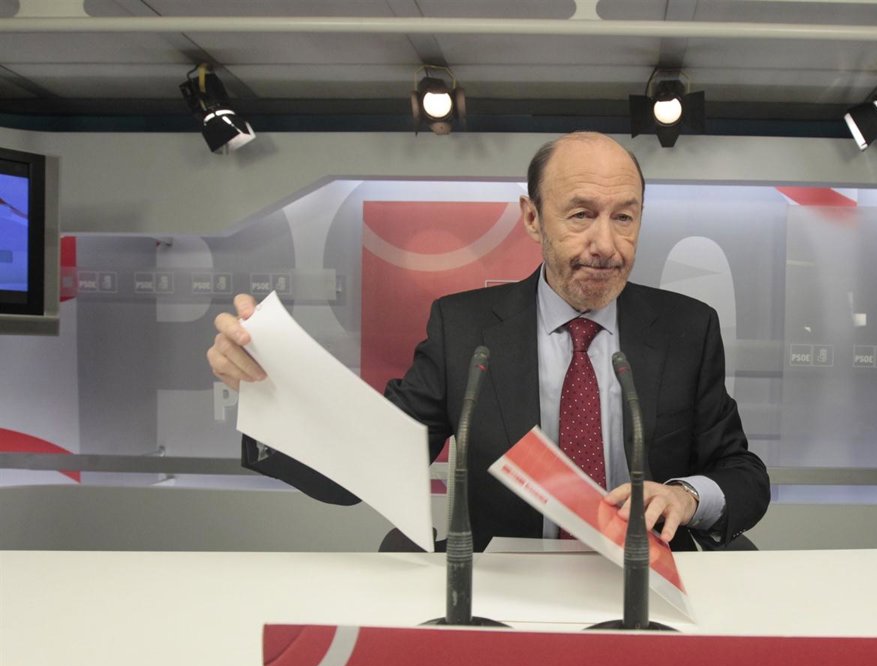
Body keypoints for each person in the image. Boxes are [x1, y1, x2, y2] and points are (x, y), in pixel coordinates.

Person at [209, 131, 769, 552]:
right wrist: (271, 395)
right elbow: (369, 463)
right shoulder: (464, 329)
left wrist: (685, 496)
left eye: (624, 217)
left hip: (646, 584)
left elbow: (742, 474)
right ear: (532, 218)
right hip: (501, 594)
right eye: (581, 215)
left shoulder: (686, 328)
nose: (606, 244)